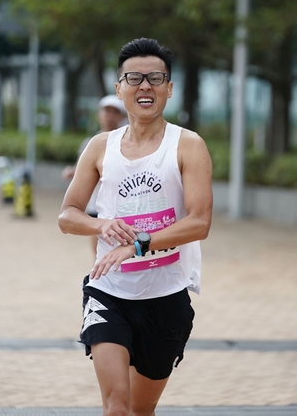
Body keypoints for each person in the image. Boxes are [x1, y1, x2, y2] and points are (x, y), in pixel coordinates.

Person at [58, 38, 213, 416]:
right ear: (119, 88)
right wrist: (102, 224)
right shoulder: (100, 146)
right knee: (116, 407)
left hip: (166, 297)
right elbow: (68, 215)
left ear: (169, 88)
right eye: (134, 78)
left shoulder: (188, 145)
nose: (145, 86)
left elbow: (199, 222)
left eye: (155, 78)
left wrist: (139, 244)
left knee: (141, 411)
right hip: (109, 292)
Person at [62, 95, 127, 255]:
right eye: (106, 112)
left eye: (114, 112)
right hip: (96, 204)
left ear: (121, 116)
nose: (109, 116)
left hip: (121, 205)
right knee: (98, 252)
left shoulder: (128, 142)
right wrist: (71, 171)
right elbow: (81, 169)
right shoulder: (91, 142)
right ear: (99, 115)